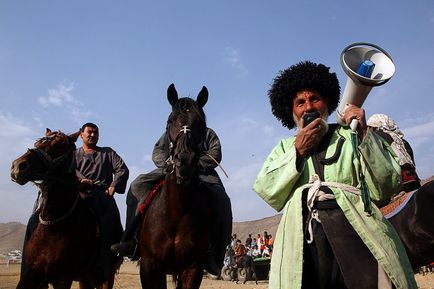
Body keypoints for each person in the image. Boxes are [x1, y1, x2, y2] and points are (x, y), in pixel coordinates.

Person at [253, 61, 417, 289]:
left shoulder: (350, 135)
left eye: (315, 99)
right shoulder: (284, 147)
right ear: (292, 111)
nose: (308, 107)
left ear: (327, 104)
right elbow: (267, 190)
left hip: (355, 231)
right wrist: (297, 151)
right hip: (303, 240)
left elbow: (386, 185)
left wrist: (362, 134)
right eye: (300, 102)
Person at [110, 127, 232, 276]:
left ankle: (214, 254)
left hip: (202, 173)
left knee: (222, 200)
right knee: (137, 185)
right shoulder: (171, 131)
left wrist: (194, 162)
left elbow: (215, 153)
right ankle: (132, 240)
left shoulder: (207, 133)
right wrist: (170, 164)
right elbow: (158, 153)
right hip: (171, 169)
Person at [75, 122, 129, 281]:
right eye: (89, 132)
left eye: (95, 133)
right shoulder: (73, 154)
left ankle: (114, 255)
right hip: (79, 194)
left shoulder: (108, 153)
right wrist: (80, 179)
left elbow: (122, 169)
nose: (92, 135)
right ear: (81, 134)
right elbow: (69, 169)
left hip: (102, 194)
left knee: (112, 221)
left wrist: (113, 186)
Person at [367, 114, 421, 194]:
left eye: (370, 127)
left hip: (397, 183)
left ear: (375, 126)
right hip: (413, 179)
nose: (369, 130)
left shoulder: (377, 137)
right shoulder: (402, 140)